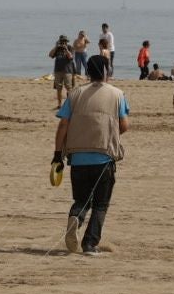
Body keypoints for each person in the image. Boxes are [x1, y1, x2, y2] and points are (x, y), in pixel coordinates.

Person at [53, 54, 128, 256]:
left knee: (81, 199)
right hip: (104, 157)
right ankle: (89, 244)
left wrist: (57, 154)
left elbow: (63, 125)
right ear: (106, 72)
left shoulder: (75, 94)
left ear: (87, 72)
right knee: (101, 204)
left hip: (78, 158)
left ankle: (75, 217)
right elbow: (124, 125)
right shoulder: (117, 94)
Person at [49, 36, 75, 108]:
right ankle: (59, 105)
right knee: (58, 88)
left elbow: (71, 57)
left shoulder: (70, 48)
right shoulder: (57, 49)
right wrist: (56, 47)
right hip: (58, 71)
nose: (63, 43)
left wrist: (66, 49)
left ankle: (69, 104)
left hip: (67, 71)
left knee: (69, 88)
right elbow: (50, 55)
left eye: (65, 41)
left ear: (67, 42)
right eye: (62, 41)